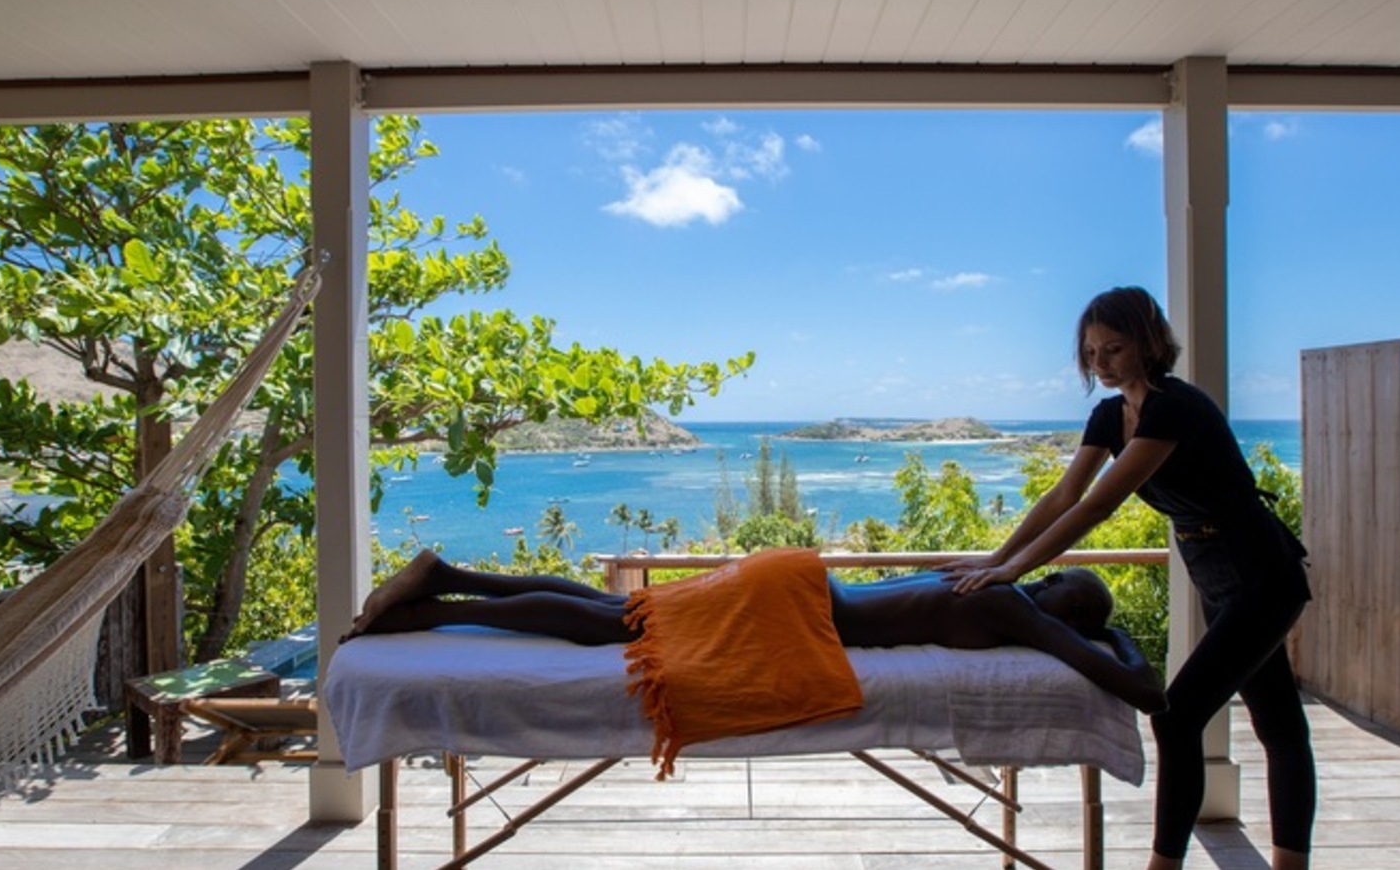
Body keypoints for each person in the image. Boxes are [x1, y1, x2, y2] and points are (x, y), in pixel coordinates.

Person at [942, 286, 1314, 870]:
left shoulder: (1175, 407)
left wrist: (1017, 569)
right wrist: (996, 559)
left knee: (1180, 713)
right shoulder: (1109, 416)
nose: (1101, 363)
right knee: (1279, 722)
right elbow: (1064, 494)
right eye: (1091, 353)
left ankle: (1163, 866)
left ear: (1149, 342)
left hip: (1263, 573)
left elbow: (1096, 507)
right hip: (1214, 574)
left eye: (1113, 348)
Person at [343, 548, 1167, 714]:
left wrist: (1100, 631)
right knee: (618, 627)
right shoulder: (1009, 607)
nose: (1050, 581)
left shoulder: (986, 586)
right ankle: (444, 595)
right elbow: (1141, 687)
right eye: (1061, 580)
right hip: (799, 607)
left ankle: (450, 586)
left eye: (1063, 583)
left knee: (619, 617)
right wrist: (1115, 640)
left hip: (800, 586)